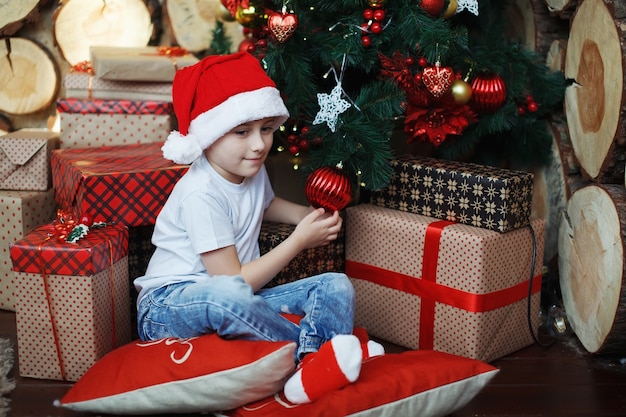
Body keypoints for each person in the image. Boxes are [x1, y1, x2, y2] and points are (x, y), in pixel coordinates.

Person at [133, 52, 383, 405]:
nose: (259, 144)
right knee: (230, 298)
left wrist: (304, 216)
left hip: (236, 297)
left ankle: (312, 365)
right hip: (171, 305)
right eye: (242, 132)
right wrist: (299, 241)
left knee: (334, 285)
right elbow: (231, 283)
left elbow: (264, 204)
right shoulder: (200, 193)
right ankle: (319, 351)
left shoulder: (249, 168)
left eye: (266, 129)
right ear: (208, 136)